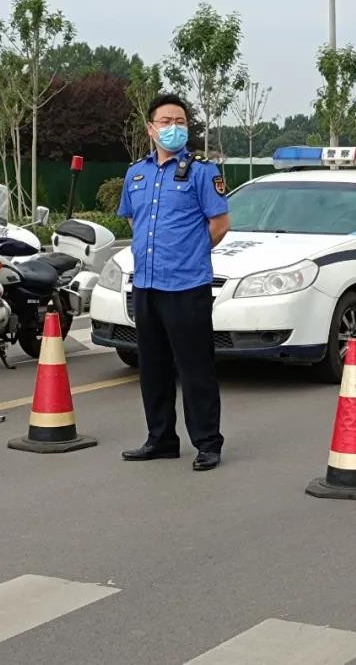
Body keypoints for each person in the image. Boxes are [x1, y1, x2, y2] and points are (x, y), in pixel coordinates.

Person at [117, 93, 231, 471]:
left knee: (195, 368)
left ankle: (207, 442)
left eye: (180, 121)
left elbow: (219, 224)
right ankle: (161, 438)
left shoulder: (202, 172)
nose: (174, 128)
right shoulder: (136, 173)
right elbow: (133, 220)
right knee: (153, 367)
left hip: (186, 285)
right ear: (151, 129)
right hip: (146, 284)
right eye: (166, 122)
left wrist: (189, 253)